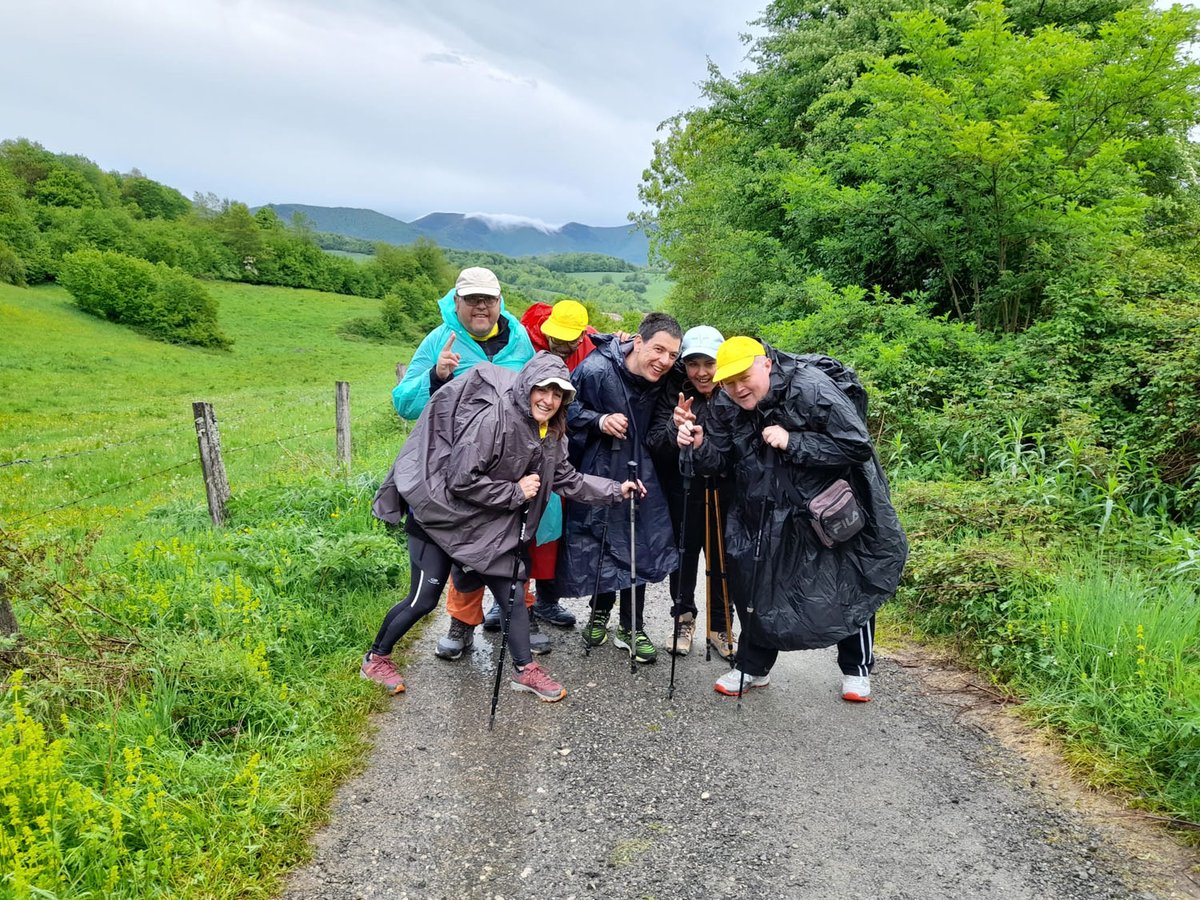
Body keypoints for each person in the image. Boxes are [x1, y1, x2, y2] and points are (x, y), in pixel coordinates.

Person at [363, 353, 643, 699]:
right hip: (439, 519)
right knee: (424, 599)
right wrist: (514, 491)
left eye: (558, 394)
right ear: (528, 387)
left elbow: (567, 479)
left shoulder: (552, 432)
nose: (549, 400)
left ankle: (525, 670)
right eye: (543, 390)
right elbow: (460, 480)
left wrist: (616, 489)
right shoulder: (495, 421)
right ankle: (376, 658)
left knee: (513, 592)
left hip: (486, 525)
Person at [675, 337, 908, 700]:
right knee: (756, 585)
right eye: (728, 382)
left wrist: (793, 441)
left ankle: (856, 670)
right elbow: (717, 463)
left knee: (846, 580)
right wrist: (700, 443)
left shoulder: (812, 389)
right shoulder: (725, 402)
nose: (737, 388)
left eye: (743, 377)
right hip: (761, 507)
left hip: (823, 506)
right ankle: (752, 667)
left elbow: (856, 446)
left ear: (765, 365)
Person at [388, 266, 553, 659]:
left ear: (500, 302)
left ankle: (514, 616)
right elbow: (403, 403)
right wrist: (435, 375)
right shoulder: (438, 341)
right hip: (455, 472)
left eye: (489, 299)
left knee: (514, 546)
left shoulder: (520, 344)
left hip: (511, 470)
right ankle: (462, 623)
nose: (481, 305)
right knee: (462, 549)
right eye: (473, 298)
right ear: (456, 301)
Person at [560, 312, 683, 664]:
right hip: (600, 467)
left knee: (638, 542)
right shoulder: (596, 369)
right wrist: (598, 420)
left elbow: (698, 376)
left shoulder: (666, 375)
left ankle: (632, 626)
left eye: (672, 355)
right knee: (599, 538)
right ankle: (599, 612)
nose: (664, 361)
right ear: (638, 342)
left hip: (645, 469)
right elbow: (565, 409)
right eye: (658, 349)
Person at [648, 325, 737, 661]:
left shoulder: (733, 391)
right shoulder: (673, 391)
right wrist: (674, 427)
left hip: (725, 494)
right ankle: (683, 619)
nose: (701, 372)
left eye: (709, 363)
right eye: (693, 363)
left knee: (722, 560)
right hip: (682, 490)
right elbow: (655, 444)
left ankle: (720, 625)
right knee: (683, 558)